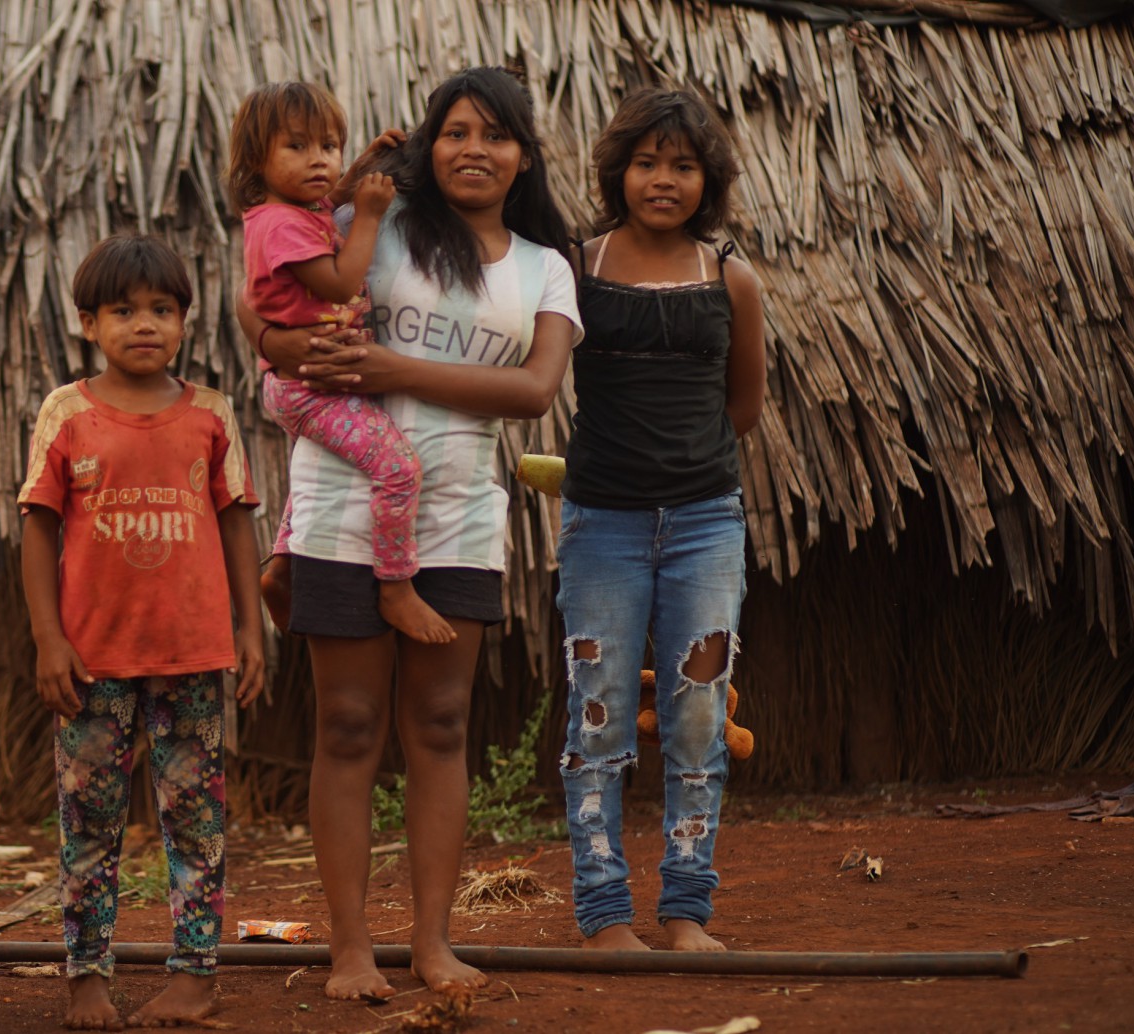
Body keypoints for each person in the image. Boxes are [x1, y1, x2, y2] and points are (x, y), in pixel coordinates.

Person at [241, 66, 582, 998]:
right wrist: (280, 349)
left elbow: (534, 391)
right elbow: (262, 300)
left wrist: (392, 364)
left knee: (439, 723)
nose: (475, 149)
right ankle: (352, 948)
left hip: (461, 512)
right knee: (347, 724)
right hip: (345, 500)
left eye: (496, 134)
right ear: (430, 144)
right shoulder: (376, 225)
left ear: (523, 157)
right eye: (456, 131)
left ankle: (431, 942)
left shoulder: (545, 266)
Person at [18, 234, 266, 1030]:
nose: (144, 325)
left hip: (194, 654)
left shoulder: (211, 414)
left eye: (162, 309)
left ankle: (195, 974)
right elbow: (37, 529)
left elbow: (235, 526)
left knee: (196, 820)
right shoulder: (67, 412)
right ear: (89, 322)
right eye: (123, 311)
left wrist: (251, 631)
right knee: (87, 823)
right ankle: (86, 974)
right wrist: (49, 640)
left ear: (186, 322)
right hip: (91, 660)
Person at [554, 85, 766, 953]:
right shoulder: (577, 267)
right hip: (601, 522)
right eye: (647, 162)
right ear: (619, 171)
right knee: (598, 711)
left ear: (707, 179)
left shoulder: (730, 276)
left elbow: (742, 407)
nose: (663, 179)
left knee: (698, 714)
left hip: (705, 522)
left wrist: (681, 470)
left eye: (682, 165)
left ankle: (686, 913)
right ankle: (605, 918)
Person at [228, 80, 453, 646]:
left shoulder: (298, 210)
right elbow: (340, 282)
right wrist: (371, 214)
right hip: (314, 390)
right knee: (398, 469)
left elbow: (330, 207)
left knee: (326, 471)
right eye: (298, 147)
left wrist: (358, 170)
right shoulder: (279, 224)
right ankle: (395, 585)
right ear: (259, 158)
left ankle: (280, 569)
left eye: (328, 146)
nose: (318, 161)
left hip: (313, 382)